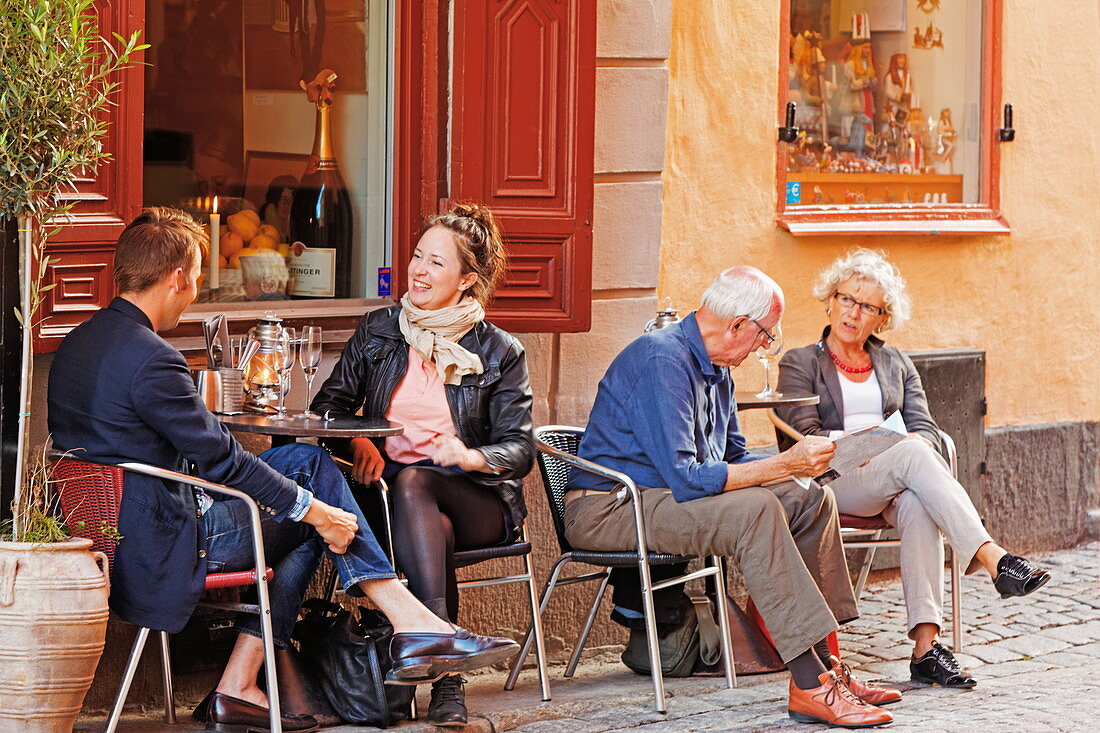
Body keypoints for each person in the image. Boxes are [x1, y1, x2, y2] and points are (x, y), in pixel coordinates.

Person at [47, 208, 518, 733]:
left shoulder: (79, 343)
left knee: (307, 479)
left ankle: (240, 686)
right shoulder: (153, 358)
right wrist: (314, 510)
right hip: (168, 542)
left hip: (116, 537)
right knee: (316, 498)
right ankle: (411, 622)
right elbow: (222, 459)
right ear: (179, 277)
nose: (197, 288)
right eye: (199, 276)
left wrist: (314, 513)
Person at [566, 266, 897, 729]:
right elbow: (687, 478)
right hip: (614, 508)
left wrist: (809, 463)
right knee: (757, 509)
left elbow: (737, 458)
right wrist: (784, 465)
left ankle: (827, 668)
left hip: (664, 498)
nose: (765, 347)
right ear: (738, 323)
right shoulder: (662, 360)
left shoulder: (717, 368)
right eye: (766, 336)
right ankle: (809, 686)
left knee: (810, 498)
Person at [776, 248, 1050, 689]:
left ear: (881, 318)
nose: (853, 312)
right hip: (832, 481)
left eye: (867, 306)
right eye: (847, 298)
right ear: (831, 300)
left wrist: (906, 444)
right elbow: (802, 434)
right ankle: (993, 558)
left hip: (894, 480)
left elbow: (924, 426)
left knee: (920, 499)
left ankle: (926, 650)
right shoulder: (800, 361)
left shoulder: (896, 363)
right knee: (910, 454)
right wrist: (874, 446)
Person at [310, 202, 534, 727]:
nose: (418, 270)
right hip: (392, 496)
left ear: (466, 280)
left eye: (436, 263)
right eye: (417, 256)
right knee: (422, 509)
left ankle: (421, 656)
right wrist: (358, 442)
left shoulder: (500, 351)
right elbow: (327, 408)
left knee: (418, 485)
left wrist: (469, 455)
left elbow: (520, 449)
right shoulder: (380, 330)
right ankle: (446, 678)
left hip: (476, 496)